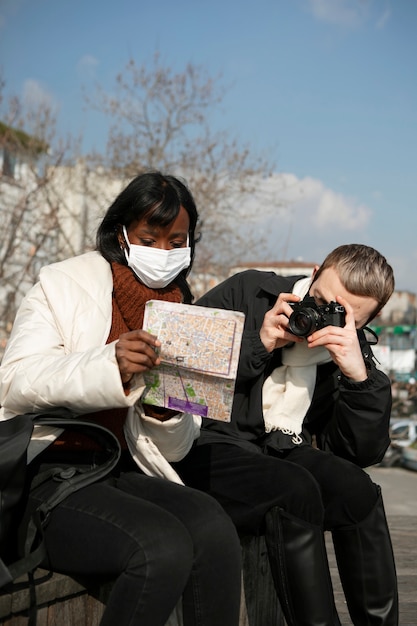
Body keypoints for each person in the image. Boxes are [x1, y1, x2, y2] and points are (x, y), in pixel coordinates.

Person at [0, 171, 242, 626]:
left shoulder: (180, 309)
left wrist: (165, 409)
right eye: (150, 238)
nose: (164, 253)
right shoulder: (62, 284)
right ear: (121, 234)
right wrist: (110, 365)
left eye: (177, 241)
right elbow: (15, 381)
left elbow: (172, 449)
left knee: (213, 528)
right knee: (160, 548)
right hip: (47, 472)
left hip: (121, 469)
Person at [173, 244, 399, 626]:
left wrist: (359, 379)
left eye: (340, 317)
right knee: (295, 488)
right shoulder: (248, 292)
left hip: (279, 447)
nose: (321, 317)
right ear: (313, 273)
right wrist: (257, 345)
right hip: (206, 442)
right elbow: (179, 364)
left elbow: (355, 452)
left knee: (357, 490)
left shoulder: (352, 349)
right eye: (320, 299)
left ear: (365, 322)